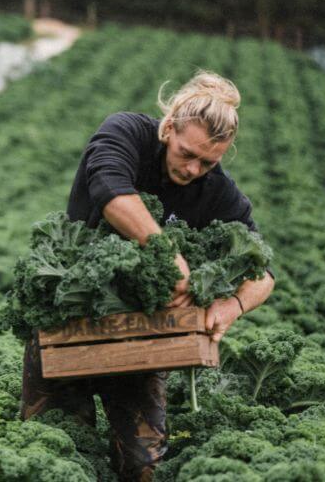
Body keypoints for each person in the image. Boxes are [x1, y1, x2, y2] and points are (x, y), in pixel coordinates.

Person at [19, 71, 275, 481]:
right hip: (68, 318)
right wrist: (168, 254)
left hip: (143, 335)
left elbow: (264, 272)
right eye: (186, 153)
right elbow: (109, 191)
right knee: (53, 451)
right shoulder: (127, 133)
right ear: (169, 127)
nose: (193, 169)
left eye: (208, 162)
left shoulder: (218, 191)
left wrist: (232, 306)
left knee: (142, 465)